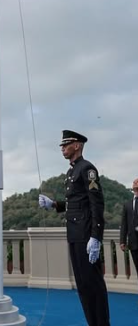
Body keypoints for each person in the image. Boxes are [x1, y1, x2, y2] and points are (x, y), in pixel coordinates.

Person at [39, 130, 110, 326]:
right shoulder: (71, 171)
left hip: (86, 235)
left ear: (77, 146)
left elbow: (96, 204)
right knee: (83, 287)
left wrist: (96, 237)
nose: (62, 148)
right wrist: (54, 204)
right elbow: (75, 203)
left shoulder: (88, 169)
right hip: (74, 234)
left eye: (66, 144)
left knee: (93, 286)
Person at [120, 178, 138, 276]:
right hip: (133, 242)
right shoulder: (127, 204)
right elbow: (124, 224)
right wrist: (122, 240)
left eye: (137, 181)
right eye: (134, 182)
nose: (135, 182)